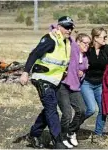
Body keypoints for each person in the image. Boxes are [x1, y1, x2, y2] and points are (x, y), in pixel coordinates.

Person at [19, 16, 75, 149]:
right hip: (42, 78)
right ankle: (58, 141)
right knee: (52, 109)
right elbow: (34, 54)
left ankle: (34, 134)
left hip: (54, 80)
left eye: (71, 27)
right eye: (67, 27)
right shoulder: (50, 39)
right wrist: (25, 72)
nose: (69, 30)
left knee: (49, 109)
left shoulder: (66, 42)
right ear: (59, 26)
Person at [56, 33, 91, 148]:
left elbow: (83, 73)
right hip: (63, 86)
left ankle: (71, 132)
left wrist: (81, 75)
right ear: (78, 43)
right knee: (67, 114)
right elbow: (68, 38)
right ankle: (62, 136)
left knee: (82, 110)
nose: (87, 45)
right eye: (84, 43)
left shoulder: (85, 58)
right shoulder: (72, 52)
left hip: (75, 87)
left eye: (88, 43)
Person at [80, 27, 108, 141]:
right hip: (87, 83)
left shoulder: (106, 48)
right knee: (91, 109)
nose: (106, 39)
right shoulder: (88, 49)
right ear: (96, 38)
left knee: (103, 109)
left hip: (100, 84)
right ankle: (73, 126)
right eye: (104, 37)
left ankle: (98, 135)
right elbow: (78, 61)